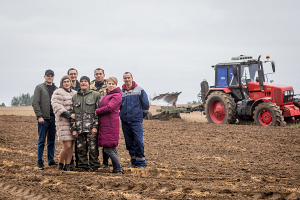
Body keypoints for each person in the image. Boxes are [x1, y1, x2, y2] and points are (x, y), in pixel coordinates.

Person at [70, 76, 101, 172]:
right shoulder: (75, 96)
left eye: (85, 81)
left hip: (91, 128)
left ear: (88, 83)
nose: (83, 83)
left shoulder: (95, 95)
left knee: (93, 148)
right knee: (81, 149)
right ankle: (83, 166)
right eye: (82, 81)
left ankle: (94, 166)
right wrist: (74, 129)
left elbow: (98, 113)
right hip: (79, 128)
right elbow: (72, 114)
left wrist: (95, 127)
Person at [119, 72, 149, 168]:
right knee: (129, 143)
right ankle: (134, 161)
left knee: (138, 141)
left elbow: (145, 105)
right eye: (125, 78)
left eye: (128, 77)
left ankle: (141, 163)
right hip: (125, 122)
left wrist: (140, 116)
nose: (127, 79)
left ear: (132, 78)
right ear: (123, 79)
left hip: (136, 121)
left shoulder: (139, 90)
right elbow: (119, 106)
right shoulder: (121, 92)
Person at [95, 77, 123, 174]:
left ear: (116, 85)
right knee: (112, 148)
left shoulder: (117, 95)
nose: (110, 85)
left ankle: (119, 168)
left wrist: (97, 112)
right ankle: (116, 169)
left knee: (108, 149)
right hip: (106, 124)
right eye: (109, 83)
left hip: (110, 125)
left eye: (113, 84)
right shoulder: (107, 95)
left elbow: (110, 107)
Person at [32, 69, 58, 170]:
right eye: (48, 76)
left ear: (53, 77)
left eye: (51, 76)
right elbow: (35, 103)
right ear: (44, 77)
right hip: (44, 119)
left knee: (51, 141)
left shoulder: (56, 89)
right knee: (42, 141)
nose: (49, 77)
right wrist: (39, 116)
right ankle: (40, 161)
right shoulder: (39, 88)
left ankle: (51, 160)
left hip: (54, 118)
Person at [51, 76, 77, 171]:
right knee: (67, 146)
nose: (67, 83)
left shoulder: (75, 93)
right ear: (62, 83)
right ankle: (60, 164)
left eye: (68, 81)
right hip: (64, 122)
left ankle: (67, 165)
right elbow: (56, 107)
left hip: (74, 123)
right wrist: (69, 115)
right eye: (64, 81)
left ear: (71, 82)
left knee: (71, 146)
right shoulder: (58, 92)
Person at [90, 68, 110, 168]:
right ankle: (95, 162)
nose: (98, 76)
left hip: (106, 116)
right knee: (93, 140)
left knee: (106, 140)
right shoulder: (90, 86)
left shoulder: (109, 85)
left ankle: (106, 163)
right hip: (93, 116)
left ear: (104, 74)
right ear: (94, 75)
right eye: (96, 74)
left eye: (100, 74)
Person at [67, 68, 80, 169]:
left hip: (80, 117)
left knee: (79, 142)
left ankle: (79, 162)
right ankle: (70, 162)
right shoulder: (64, 87)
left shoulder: (82, 86)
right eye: (71, 74)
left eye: (74, 74)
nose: (73, 76)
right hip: (68, 117)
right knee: (70, 142)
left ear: (77, 75)